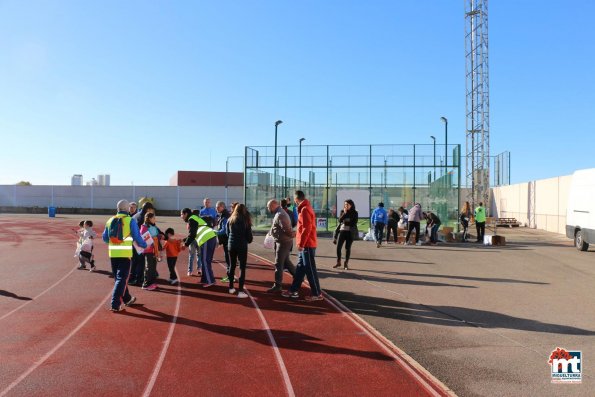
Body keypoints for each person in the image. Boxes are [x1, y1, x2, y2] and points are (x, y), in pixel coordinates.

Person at [102, 199, 147, 312]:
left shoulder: (110, 220)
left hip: (113, 254)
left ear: (117, 208)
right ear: (127, 209)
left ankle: (127, 299)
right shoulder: (130, 221)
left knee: (119, 278)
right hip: (125, 254)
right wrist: (144, 245)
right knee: (122, 279)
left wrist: (114, 243)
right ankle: (115, 304)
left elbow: (105, 238)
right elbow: (137, 237)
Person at [282, 190, 323, 301]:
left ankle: (316, 293)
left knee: (310, 269)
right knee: (300, 268)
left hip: (307, 245)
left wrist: (301, 244)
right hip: (306, 244)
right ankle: (293, 289)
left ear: (296, 199)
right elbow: (304, 228)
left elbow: (307, 228)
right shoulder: (304, 208)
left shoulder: (304, 209)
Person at [181, 207, 217, 287]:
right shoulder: (194, 218)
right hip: (210, 238)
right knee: (205, 260)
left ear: (186, 214)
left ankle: (210, 281)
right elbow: (193, 234)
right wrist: (184, 240)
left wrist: (185, 244)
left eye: (181, 214)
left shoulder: (191, 219)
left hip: (207, 239)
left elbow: (192, 235)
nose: (181, 216)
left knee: (205, 261)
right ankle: (205, 279)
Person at [266, 199, 296, 293]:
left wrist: (292, 234)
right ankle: (299, 277)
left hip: (283, 242)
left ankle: (278, 285)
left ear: (272, 206)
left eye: (268, 207)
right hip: (282, 241)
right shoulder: (278, 213)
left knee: (279, 264)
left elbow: (286, 228)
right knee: (286, 261)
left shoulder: (280, 214)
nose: (268, 209)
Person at [226, 204, 253, 298]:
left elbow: (227, 233)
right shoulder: (246, 220)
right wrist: (248, 240)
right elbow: (249, 236)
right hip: (242, 245)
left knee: (232, 265)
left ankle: (231, 287)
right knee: (242, 267)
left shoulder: (230, 220)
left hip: (231, 245)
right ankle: (240, 291)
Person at [130, 202, 154, 285]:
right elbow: (141, 232)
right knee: (140, 261)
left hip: (132, 242)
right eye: (151, 209)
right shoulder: (143, 218)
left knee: (134, 261)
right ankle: (138, 279)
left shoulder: (135, 215)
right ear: (148, 209)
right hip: (139, 242)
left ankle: (131, 278)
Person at [333, 199, 358, 270]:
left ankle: (346, 263)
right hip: (342, 231)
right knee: (338, 247)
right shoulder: (342, 211)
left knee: (347, 248)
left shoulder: (355, 212)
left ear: (351, 205)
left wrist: (345, 221)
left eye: (347, 204)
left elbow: (354, 223)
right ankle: (338, 262)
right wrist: (345, 214)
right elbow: (340, 220)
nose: (346, 206)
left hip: (350, 232)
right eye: (345, 204)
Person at [140, 212, 161, 291]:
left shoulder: (153, 226)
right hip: (148, 250)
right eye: (153, 218)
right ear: (149, 218)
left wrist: (159, 236)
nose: (155, 219)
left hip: (154, 250)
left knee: (153, 267)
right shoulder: (144, 227)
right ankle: (146, 284)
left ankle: (152, 283)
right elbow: (143, 237)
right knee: (149, 267)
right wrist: (152, 242)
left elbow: (156, 235)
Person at [215, 201, 233, 283]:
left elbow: (224, 230)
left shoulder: (225, 216)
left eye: (218, 207)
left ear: (223, 207)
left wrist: (215, 232)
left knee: (228, 259)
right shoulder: (222, 215)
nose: (216, 208)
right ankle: (230, 276)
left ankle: (230, 277)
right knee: (228, 259)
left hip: (227, 240)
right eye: (216, 207)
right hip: (225, 240)